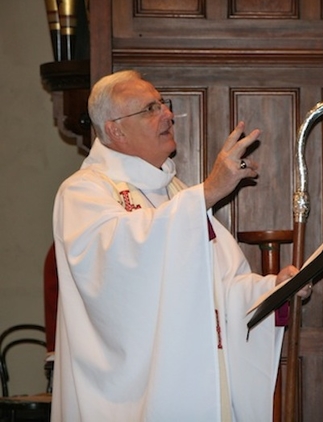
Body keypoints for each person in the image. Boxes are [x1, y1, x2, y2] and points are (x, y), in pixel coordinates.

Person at [51, 69, 309, 422]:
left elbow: (222, 288)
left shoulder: (173, 192)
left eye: (163, 104)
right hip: (128, 401)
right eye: (150, 109)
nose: (168, 114)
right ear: (115, 129)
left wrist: (272, 291)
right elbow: (117, 274)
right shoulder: (85, 192)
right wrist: (209, 191)